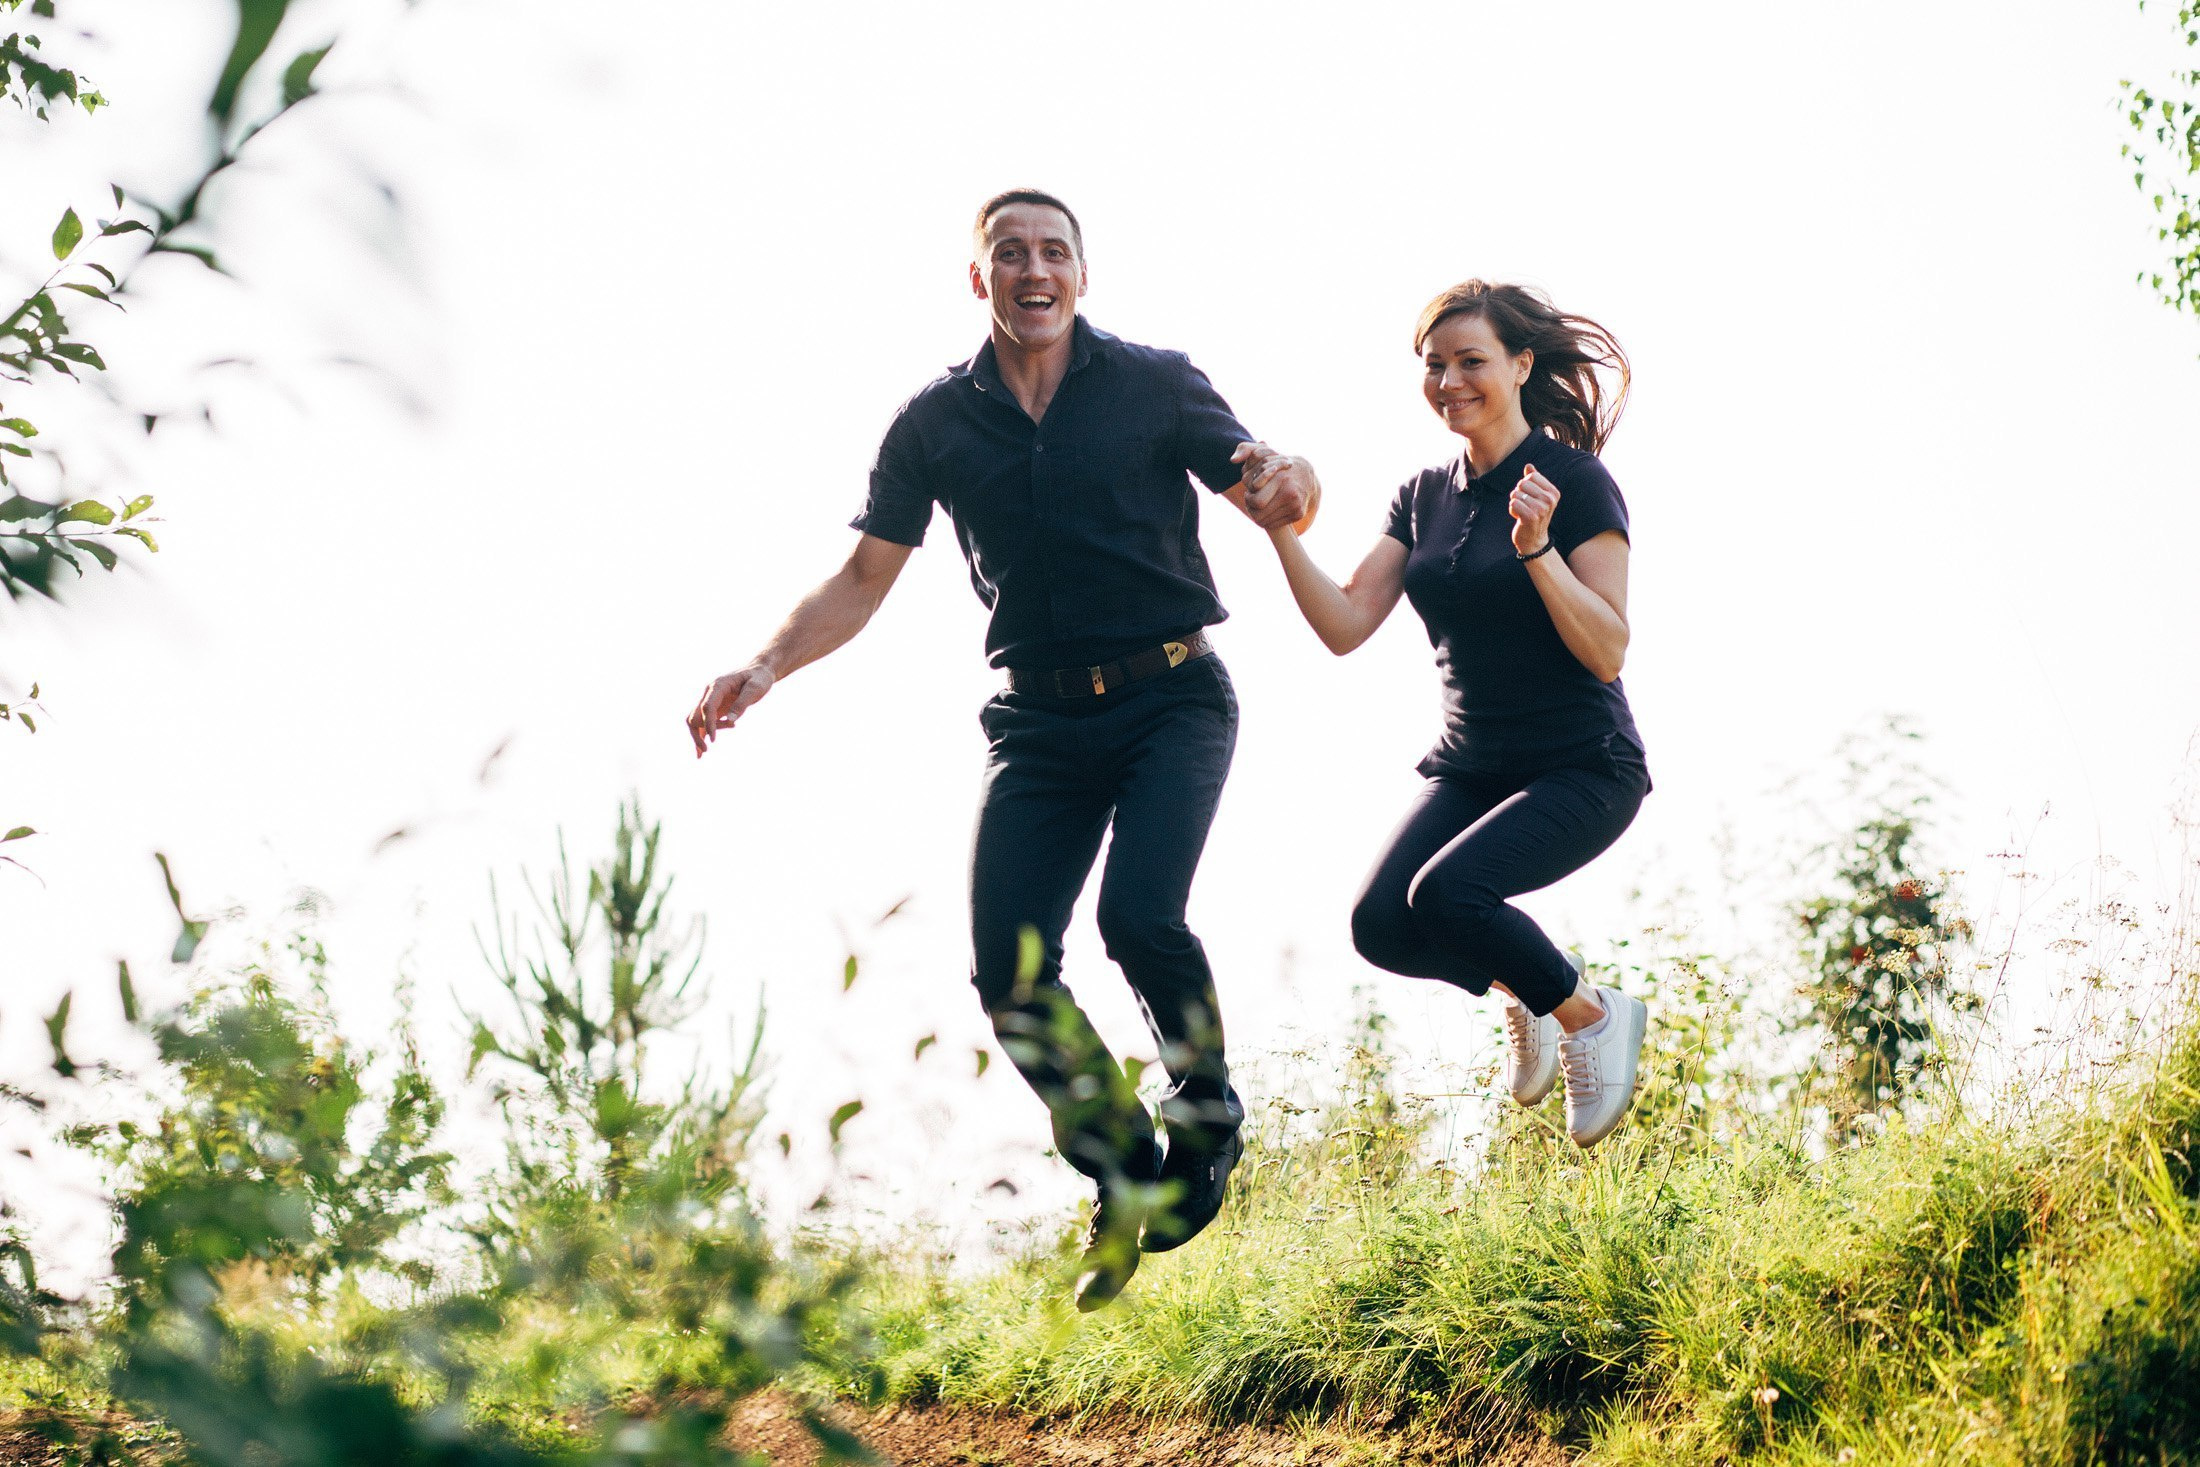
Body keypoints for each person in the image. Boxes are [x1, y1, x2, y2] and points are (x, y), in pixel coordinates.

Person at [686, 189, 1314, 1309]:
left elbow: (1262, 476)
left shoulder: (1155, 381)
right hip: (1036, 722)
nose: (1035, 270)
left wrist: (1290, 482)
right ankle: (1122, 1174)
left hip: (1173, 697)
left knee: (1138, 918)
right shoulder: (934, 423)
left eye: (1054, 253)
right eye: (1010, 254)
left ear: (1083, 274)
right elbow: (863, 578)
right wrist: (767, 665)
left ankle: (1204, 1115)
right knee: (1009, 973)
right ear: (977, 279)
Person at [1235, 279, 1650, 1148]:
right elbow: (1348, 621)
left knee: (1451, 893)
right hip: (1473, 765)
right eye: (1435, 365)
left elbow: (1608, 647)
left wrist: (1536, 550)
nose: (1450, 380)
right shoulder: (1422, 494)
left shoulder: (1575, 482)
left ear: (1521, 364)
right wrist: (1278, 531)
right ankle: (1529, 991)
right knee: (1382, 922)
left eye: (1472, 361)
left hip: (1582, 764)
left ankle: (1588, 1014)